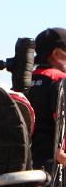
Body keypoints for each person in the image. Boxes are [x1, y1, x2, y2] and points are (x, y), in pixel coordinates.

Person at [27, 27, 66, 173]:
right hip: (55, 172)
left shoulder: (23, 82)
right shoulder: (59, 80)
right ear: (56, 53)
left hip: (25, 169)